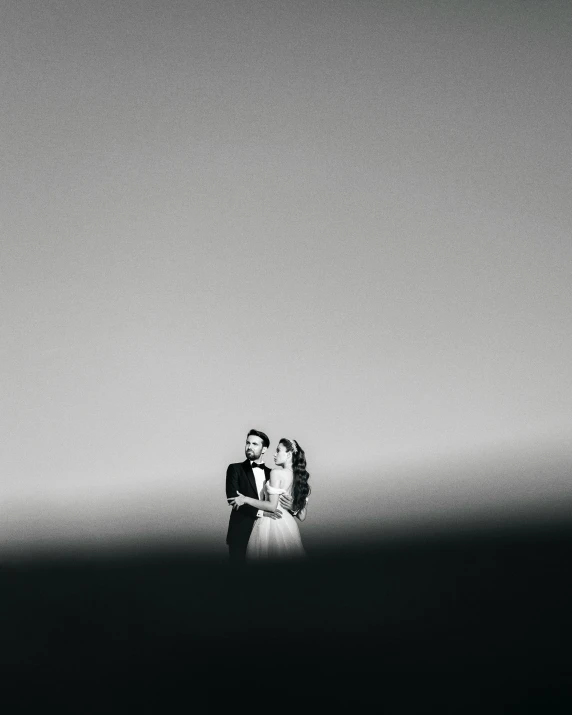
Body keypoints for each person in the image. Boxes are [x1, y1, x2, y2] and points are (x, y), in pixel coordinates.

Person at [228, 438, 310, 560]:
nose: (274, 454)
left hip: (271, 522)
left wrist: (245, 499)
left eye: (278, 450)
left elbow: (271, 506)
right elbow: (302, 517)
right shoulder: (300, 478)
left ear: (288, 454)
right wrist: (293, 507)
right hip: (288, 524)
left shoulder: (276, 473)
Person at [225, 429, 278, 565]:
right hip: (241, 533)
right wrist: (262, 513)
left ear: (264, 449)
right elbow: (233, 500)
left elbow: (277, 502)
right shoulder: (235, 469)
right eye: (247, 443)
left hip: (267, 533)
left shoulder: (272, 474)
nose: (249, 447)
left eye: (255, 444)